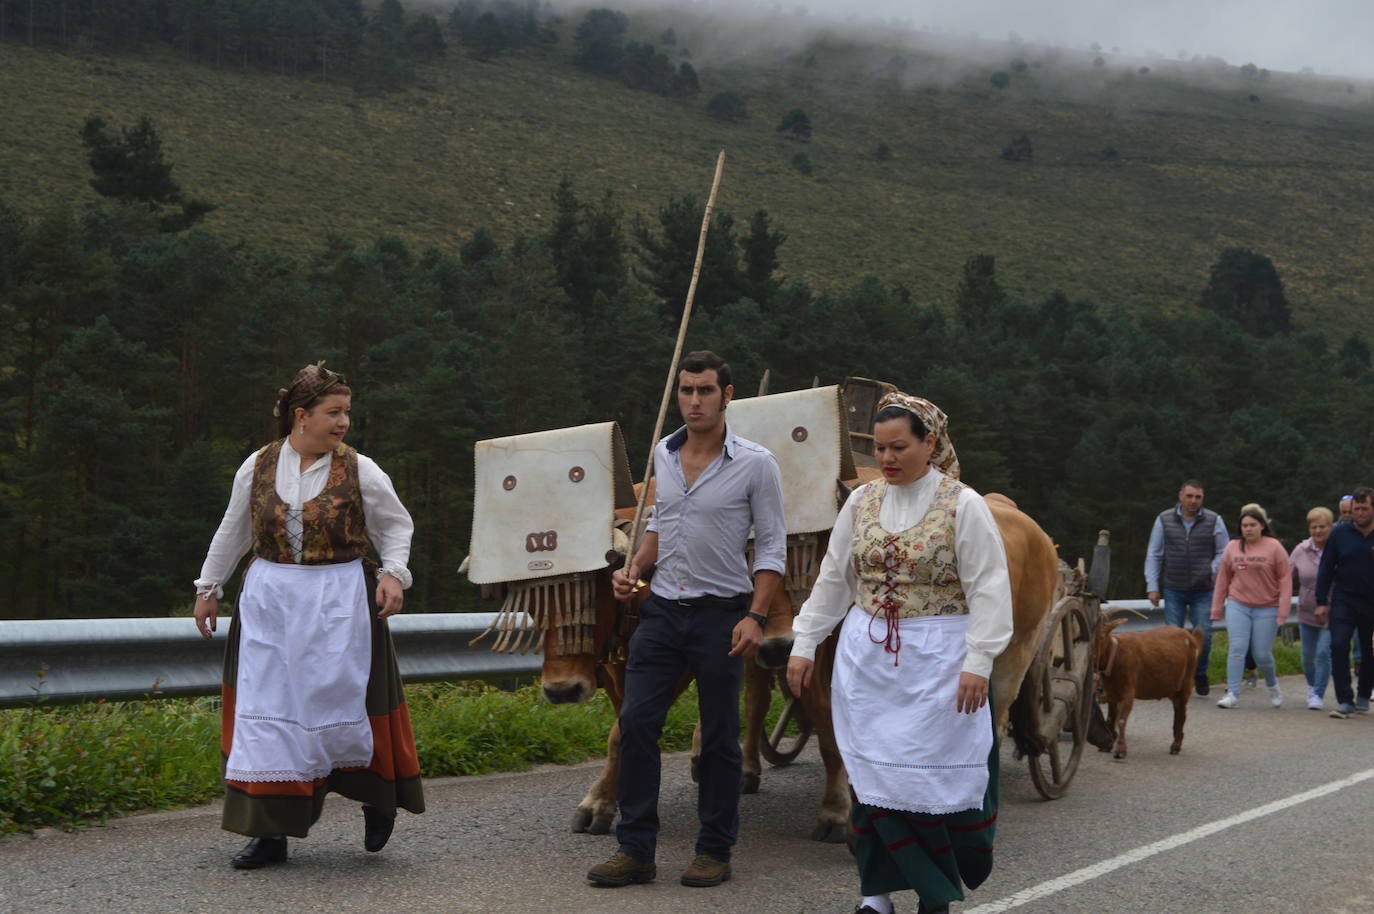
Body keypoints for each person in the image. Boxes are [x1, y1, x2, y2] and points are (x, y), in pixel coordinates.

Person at [786, 392, 1013, 914]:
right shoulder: (860, 502)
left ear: (929, 444)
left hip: (939, 661)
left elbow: (990, 590)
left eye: (899, 447)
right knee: (871, 778)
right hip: (867, 664)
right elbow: (834, 579)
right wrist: (805, 641)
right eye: (879, 448)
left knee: (928, 782)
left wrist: (978, 662)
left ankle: (935, 895)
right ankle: (876, 895)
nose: (886, 459)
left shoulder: (964, 505)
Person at [193, 363, 424, 869]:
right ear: (301, 416)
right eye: (333, 412)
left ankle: (377, 798)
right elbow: (232, 530)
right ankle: (269, 833)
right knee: (270, 711)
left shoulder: (361, 469)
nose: (343, 422)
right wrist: (209, 587)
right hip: (271, 601)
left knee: (350, 705)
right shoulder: (257, 465)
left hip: (340, 599)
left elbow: (396, 526)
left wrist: (392, 573)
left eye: (347, 413)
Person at [587, 351, 786, 890]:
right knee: (635, 726)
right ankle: (636, 849)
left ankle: (714, 850)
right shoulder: (663, 454)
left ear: (728, 395)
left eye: (705, 391)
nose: (694, 401)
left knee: (720, 739)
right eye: (686, 391)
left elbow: (771, 549)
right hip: (660, 614)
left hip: (723, 615)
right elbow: (657, 527)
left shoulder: (755, 462)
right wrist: (633, 570)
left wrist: (755, 615)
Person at [1145, 480, 1229, 696]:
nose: (1193, 501)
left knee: (1205, 634)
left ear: (1202, 498)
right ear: (1181, 496)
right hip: (1174, 586)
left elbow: (1224, 551)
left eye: (1198, 497)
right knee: (1172, 637)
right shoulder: (1164, 519)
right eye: (1190, 496)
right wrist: (1152, 586)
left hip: (1204, 588)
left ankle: (1199, 672)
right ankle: (1176, 679)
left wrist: (1212, 570)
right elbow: (1154, 553)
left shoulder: (1214, 520)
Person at [1211, 505, 1291, 709]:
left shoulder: (1274, 547)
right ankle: (1232, 693)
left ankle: (1273, 686)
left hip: (1267, 606)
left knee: (1261, 654)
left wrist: (1283, 612)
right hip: (1239, 604)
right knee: (1237, 649)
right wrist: (1217, 608)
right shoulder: (1232, 547)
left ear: (1262, 526)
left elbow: (1285, 579)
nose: (1248, 529)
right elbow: (1223, 579)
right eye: (1244, 525)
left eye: (1253, 525)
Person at [1316, 486, 1374, 718]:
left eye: (1364, 508)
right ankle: (1345, 699)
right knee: (1338, 645)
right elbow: (1326, 567)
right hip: (1345, 599)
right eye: (1355, 509)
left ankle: (1363, 695)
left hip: (1372, 603)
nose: (1359, 513)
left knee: (1369, 651)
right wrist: (1321, 601)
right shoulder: (1340, 534)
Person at [1291, 507, 1334, 709]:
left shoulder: (1337, 548)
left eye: (1322, 526)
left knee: (1323, 653)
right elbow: (1286, 575)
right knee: (1307, 656)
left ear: (1331, 527)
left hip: (1334, 610)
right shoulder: (1301, 550)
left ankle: (1318, 693)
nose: (1318, 531)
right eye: (1314, 527)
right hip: (1307, 609)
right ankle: (1311, 685)